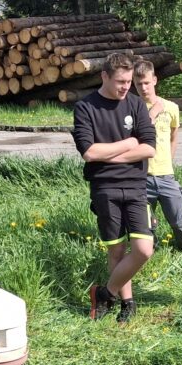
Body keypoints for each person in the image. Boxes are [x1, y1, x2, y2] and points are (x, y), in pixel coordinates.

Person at [71, 52, 156, 322]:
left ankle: (105, 292)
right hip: (105, 187)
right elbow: (89, 152)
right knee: (116, 250)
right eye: (120, 81)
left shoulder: (135, 104)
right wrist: (129, 144)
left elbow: (149, 148)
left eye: (129, 81)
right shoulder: (85, 107)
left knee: (143, 249)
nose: (125, 87)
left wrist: (110, 154)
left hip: (135, 186)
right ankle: (127, 303)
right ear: (104, 76)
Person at [134, 59, 182, 268]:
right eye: (139, 84)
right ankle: (150, 264)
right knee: (146, 226)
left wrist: (168, 162)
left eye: (147, 82)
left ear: (154, 80)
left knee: (180, 222)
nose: (144, 88)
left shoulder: (171, 108)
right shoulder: (131, 107)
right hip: (140, 178)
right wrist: (152, 114)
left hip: (166, 176)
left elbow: (174, 135)